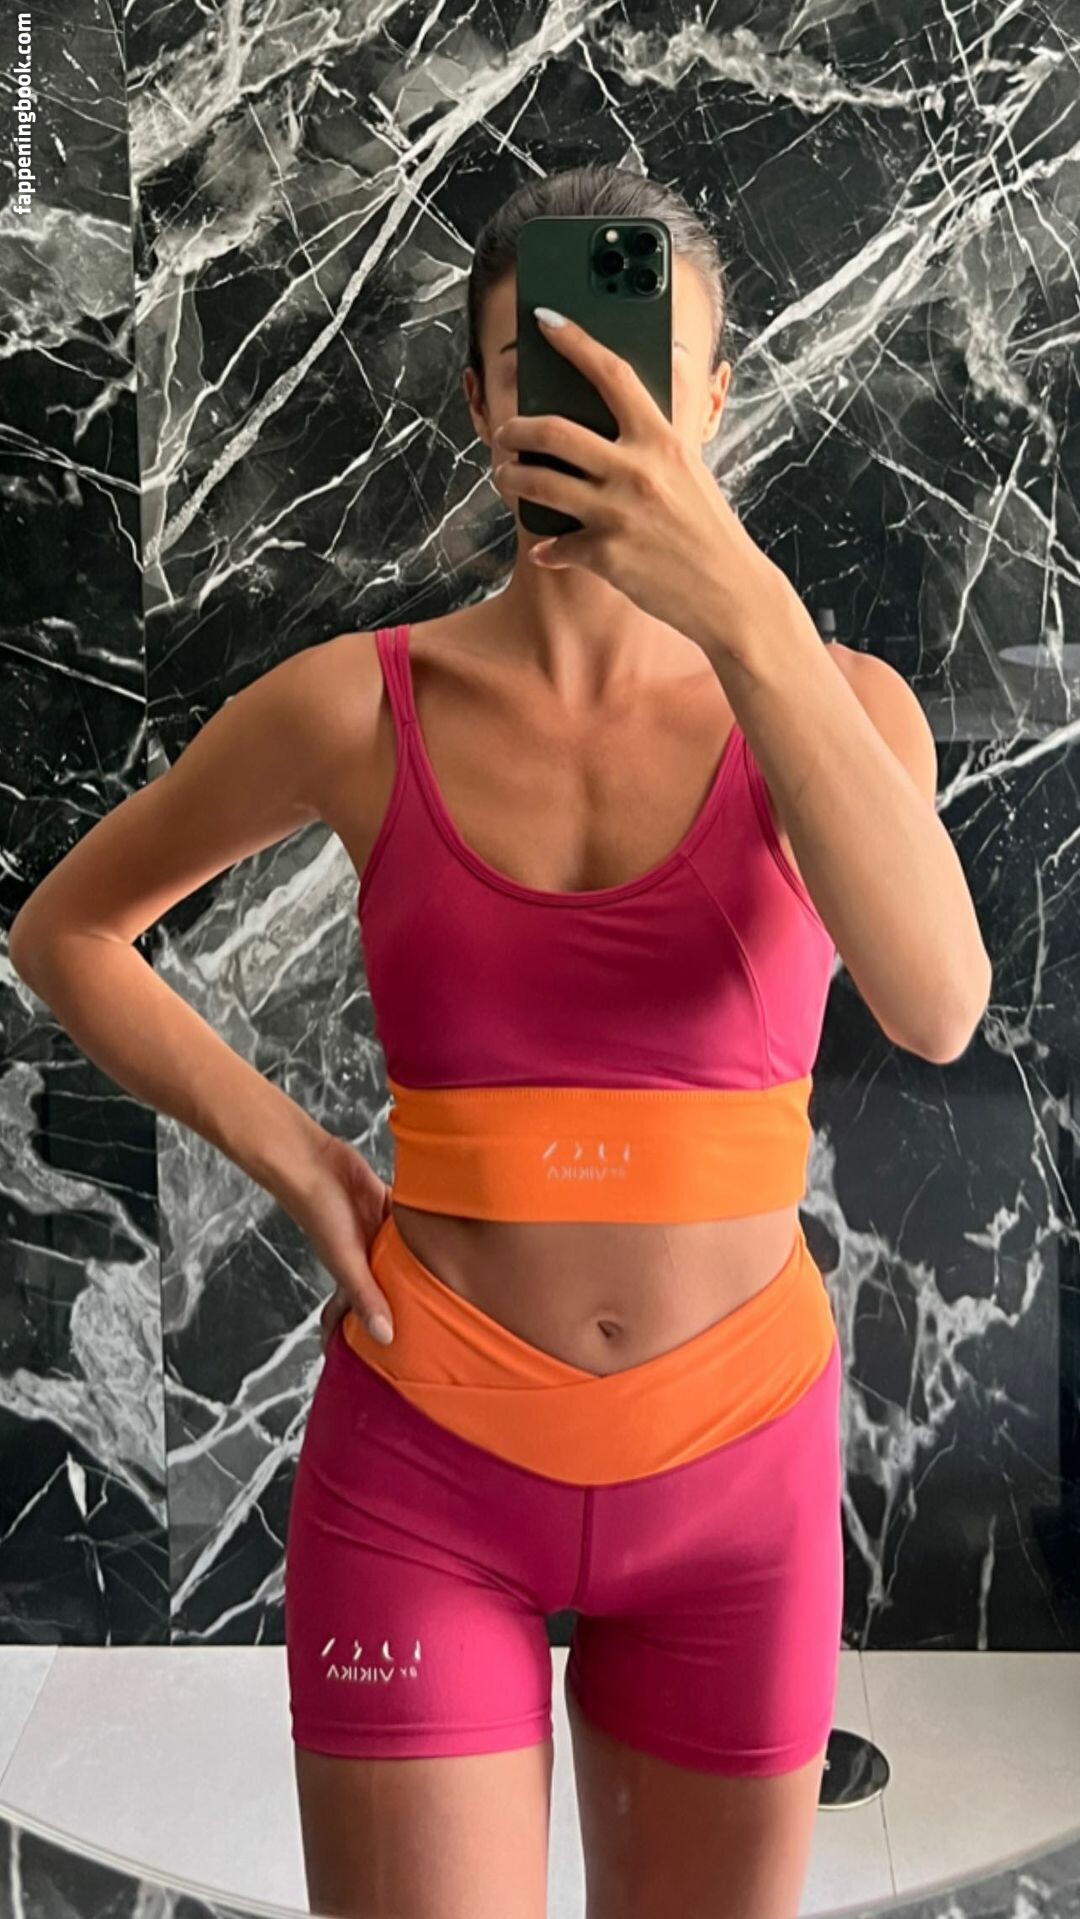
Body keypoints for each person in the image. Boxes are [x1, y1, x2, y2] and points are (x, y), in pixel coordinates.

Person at [9, 163, 990, 1919]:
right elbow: (62, 930)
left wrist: (745, 612)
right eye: (548, 367)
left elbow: (935, 1004)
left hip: (739, 1484)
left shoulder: (841, 710)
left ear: (714, 394)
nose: (602, 406)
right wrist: (299, 1158)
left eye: (642, 369)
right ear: (481, 402)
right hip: (424, 1476)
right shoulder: (357, 705)